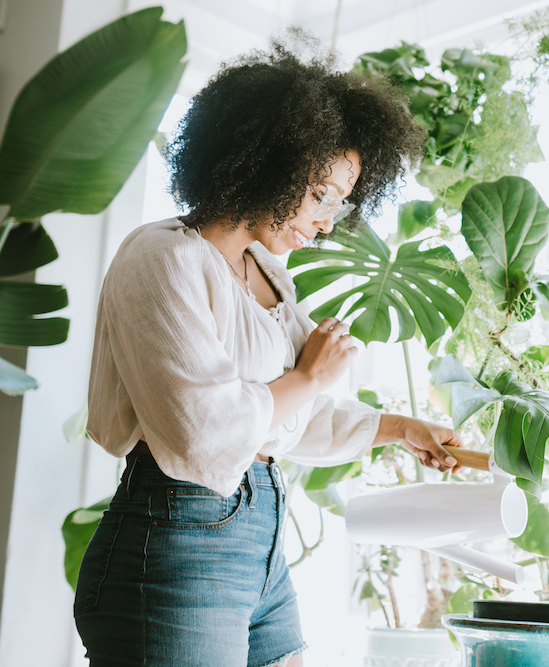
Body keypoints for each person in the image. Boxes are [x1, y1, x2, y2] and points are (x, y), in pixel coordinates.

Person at [75, 40, 461, 667]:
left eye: (342, 201)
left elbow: (283, 418)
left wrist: (398, 429)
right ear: (265, 161)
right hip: (176, 536)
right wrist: (309, 376)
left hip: (260, 537)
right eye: (320, 195)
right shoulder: (161, 257)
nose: (329, 220)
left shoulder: (271, 276)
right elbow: (201, 433)